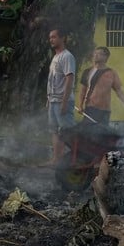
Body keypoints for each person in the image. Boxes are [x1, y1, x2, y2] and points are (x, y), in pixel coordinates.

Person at [77, 46, 124, 125]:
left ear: (106, 57)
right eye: (95, 53)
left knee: (102, 134)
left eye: (99, 54)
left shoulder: (112, 73)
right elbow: (83, 90)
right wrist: (80, 106)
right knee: (89, 133)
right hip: (91, 108)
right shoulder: (88, 71)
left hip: (105, 111)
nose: (95, 55)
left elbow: (119, 91)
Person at [46, 27, 76, 164]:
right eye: (50, 37)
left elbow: (69, 79)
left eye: (54, 37)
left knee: (67, 132)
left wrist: (64, 102)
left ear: (62, 38)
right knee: (54, 130)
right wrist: (48, 99)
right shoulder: (55, 57)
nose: (51, 40)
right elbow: (53, 80)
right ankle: (56, 159)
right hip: (53, 100)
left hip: (62, 101)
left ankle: (72, 159)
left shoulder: (67, 56)